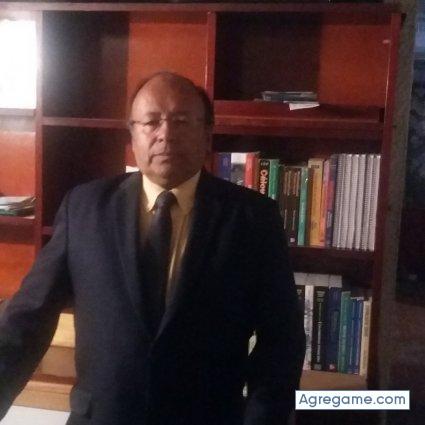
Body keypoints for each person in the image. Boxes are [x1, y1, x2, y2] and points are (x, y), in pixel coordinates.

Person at [0, 71, 305, 425]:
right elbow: (28, 318)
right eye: (151, 122)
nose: (166, 134)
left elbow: (281, 341)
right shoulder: (85, 208)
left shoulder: (253, 218)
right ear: (133, 135)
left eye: (181, 121)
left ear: (207, 135)